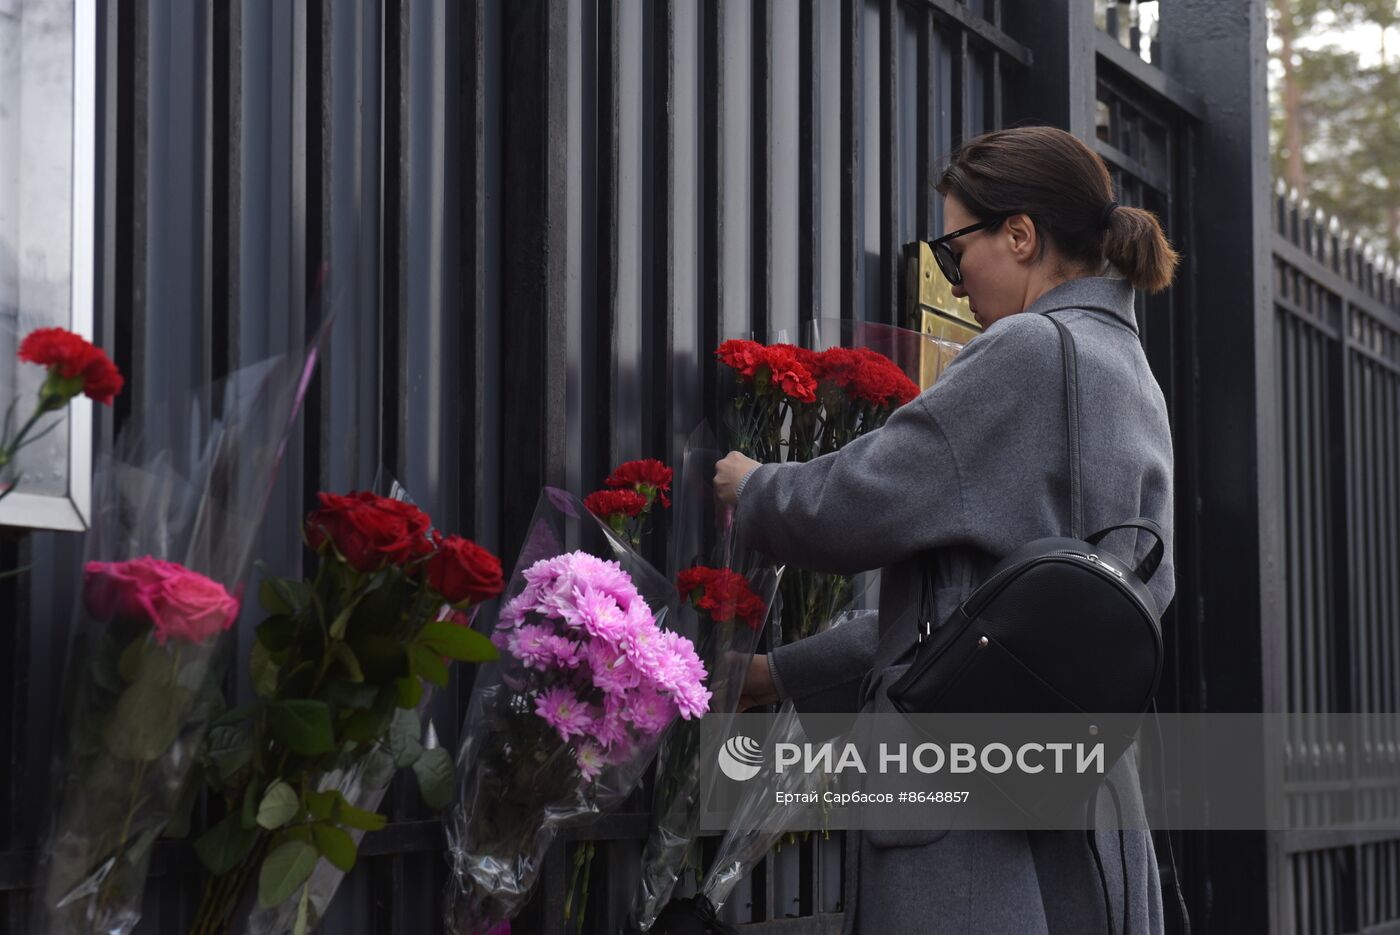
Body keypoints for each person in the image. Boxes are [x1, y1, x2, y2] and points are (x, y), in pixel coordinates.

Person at [712, 125, 1180, 935]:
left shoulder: (1025, 351)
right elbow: (981, 624)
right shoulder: (1134, 375)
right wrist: (777, 673)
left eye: (956, 240)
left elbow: (858, 500)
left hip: (966, 818)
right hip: (1084, 811)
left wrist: (753, 487)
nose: (955, 276)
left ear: (1021, 234)